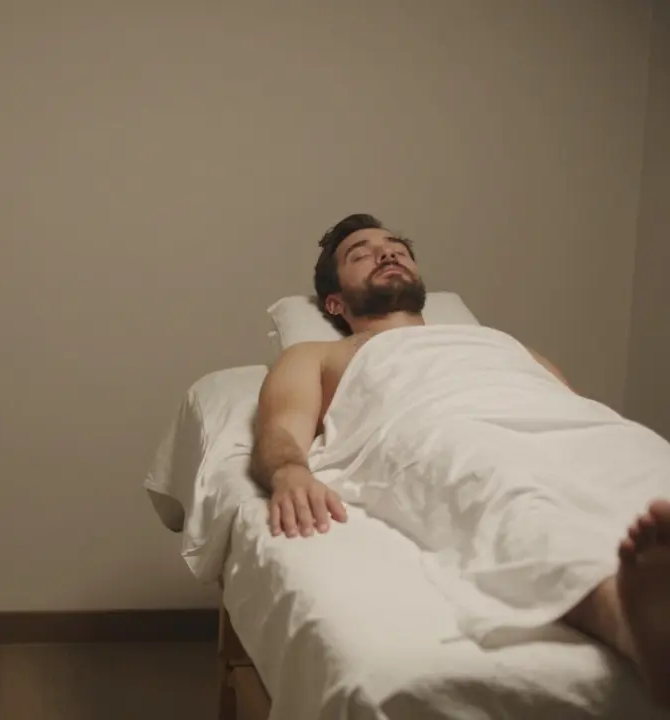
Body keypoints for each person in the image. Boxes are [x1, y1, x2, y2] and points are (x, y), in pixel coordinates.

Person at [249, 213, 670, 705]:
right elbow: (280, 429)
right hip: (441, 429)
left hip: (574, 427)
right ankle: (633, 623)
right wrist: (290, 470)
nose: (388, 253)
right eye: (360, 253)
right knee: (514, 496)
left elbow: (572, 406)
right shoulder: (320, 353)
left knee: (644, 466)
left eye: (397, 247)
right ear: (335, 302)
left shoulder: (504, 343)